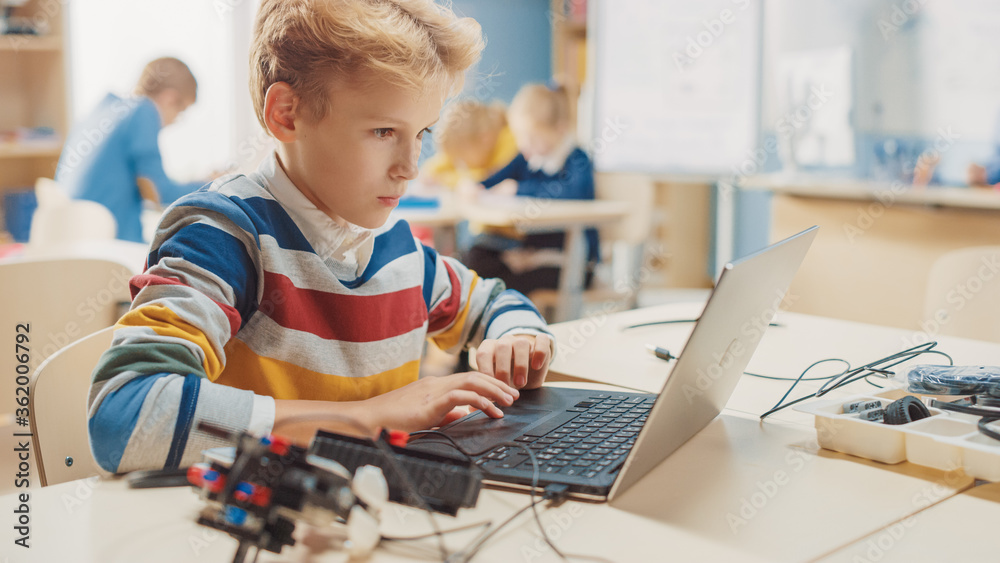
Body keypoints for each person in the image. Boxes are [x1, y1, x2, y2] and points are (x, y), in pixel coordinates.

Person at [86, 0, 554, 474]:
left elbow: (494, 303)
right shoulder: (225, 236)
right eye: (383, 130)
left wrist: (518, 336)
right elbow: (126, 415)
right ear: (287, 114)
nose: (410, 167)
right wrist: (364, 419)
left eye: (422, 133)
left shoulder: (398, 250)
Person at [463, 83, 599, 296]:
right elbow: (495, 179)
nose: (525, 145)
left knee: (507, 283)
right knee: (475, 256)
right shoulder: (528, 157)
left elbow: (571, 193)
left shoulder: (577, 159)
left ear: (560, 130)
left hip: (571, 262)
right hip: (530, 253)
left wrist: (518, 189)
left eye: (533, 138)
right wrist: (476, 186)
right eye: (520, 137)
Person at [55, 57, 205, 243]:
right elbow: (161, 194)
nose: (175, 121)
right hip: (112, 249)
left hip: (72, 242)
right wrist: (213, 185)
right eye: (180, 112)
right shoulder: (143, 111)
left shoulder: (100, 111)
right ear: (170, 98)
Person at [419, 99, 519, 189]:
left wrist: (443, 180)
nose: (458, 164)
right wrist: (433, 176)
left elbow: (490, 177)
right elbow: (430, 172)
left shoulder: (512, 139)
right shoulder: (470, 145)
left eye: (461, 160)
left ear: (485, 139)